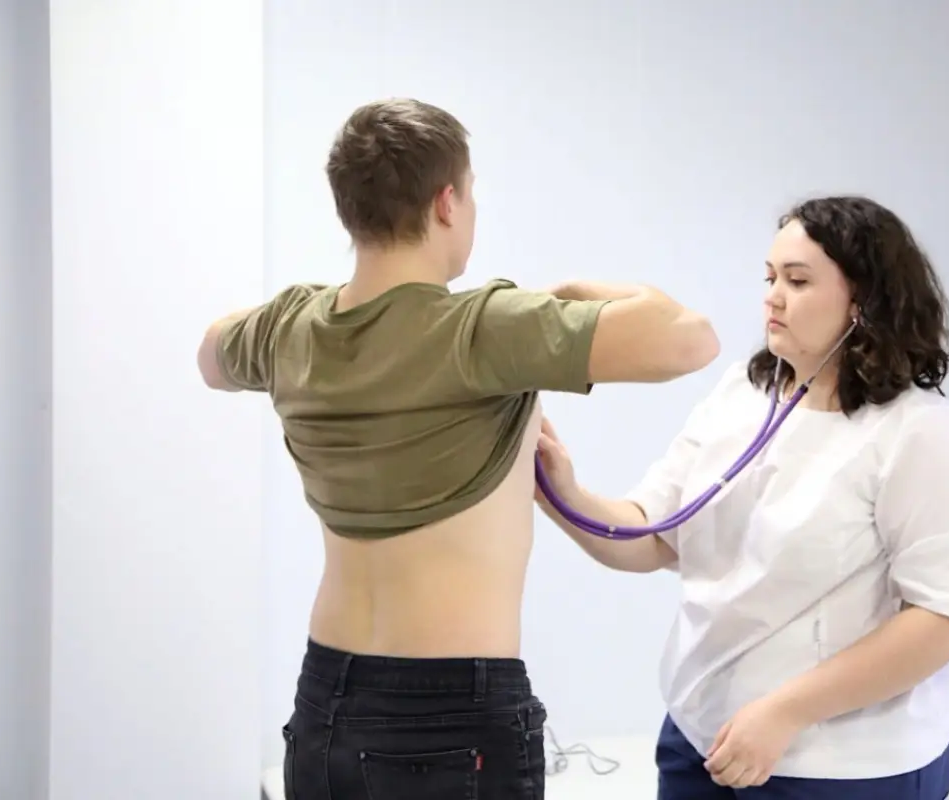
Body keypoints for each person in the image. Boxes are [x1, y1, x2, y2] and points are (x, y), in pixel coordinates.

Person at [195, 97, 720, 799]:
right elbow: (690, 338)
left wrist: (306, 313)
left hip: (323, 704)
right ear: (447, 202)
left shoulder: (291, 328)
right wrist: (567, 295)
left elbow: (210, 355)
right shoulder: (484, 329)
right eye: (469, 194)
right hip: (450, 717)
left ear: (350, 210)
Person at [536, 195, 949, 799]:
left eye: (797, 281)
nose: (773, 297)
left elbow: (945, 619)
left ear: (864, 300)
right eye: (770, 277)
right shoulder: (743, 393)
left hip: (842, 767)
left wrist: (785, 712)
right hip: (703, 737)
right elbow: (651, 536)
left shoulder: (919, 432)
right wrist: (559, 492)